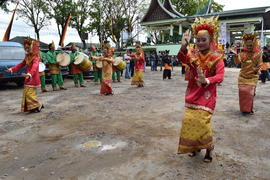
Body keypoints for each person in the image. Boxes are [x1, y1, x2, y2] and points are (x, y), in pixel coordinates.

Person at [177, 16, 225, 162]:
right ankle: (195, 147)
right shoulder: (192, 54)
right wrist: (184, 46)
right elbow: (181, 58)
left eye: (203, 40)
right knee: (189, 121)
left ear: (210, 40)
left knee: (202, 123)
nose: (200, 43)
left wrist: (207, 80)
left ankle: (209, 149)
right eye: (197, 40)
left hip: (207, 96)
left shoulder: (217, 57)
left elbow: (220, 76)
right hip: (192, 94)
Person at [6, 38, 44, 113]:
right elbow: (21, 64)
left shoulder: (36, 57)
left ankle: (39, 105)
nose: (27, 50)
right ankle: (33, 108)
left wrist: (30, 74)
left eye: (28, 48)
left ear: (32, 48)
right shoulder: (27, 57)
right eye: (25, 48)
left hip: (33, 77)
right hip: (27, 77)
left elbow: (35, 67)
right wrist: (12, 69)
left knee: (30, 93)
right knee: (26, 93)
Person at [233, 33, 262, 115]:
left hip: (253, 77)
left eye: (251, 45)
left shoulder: (258, 54)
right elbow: (237, 63)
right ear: (245, 45)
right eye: (248, 45)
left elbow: (259, 64)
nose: (249, 47)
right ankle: (243, 109)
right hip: (242, 77)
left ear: (254, 45)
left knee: (251, 94)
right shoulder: (242, 54)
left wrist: (257, 69)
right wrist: (235, 56)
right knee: (242, 94)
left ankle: (250, 109)